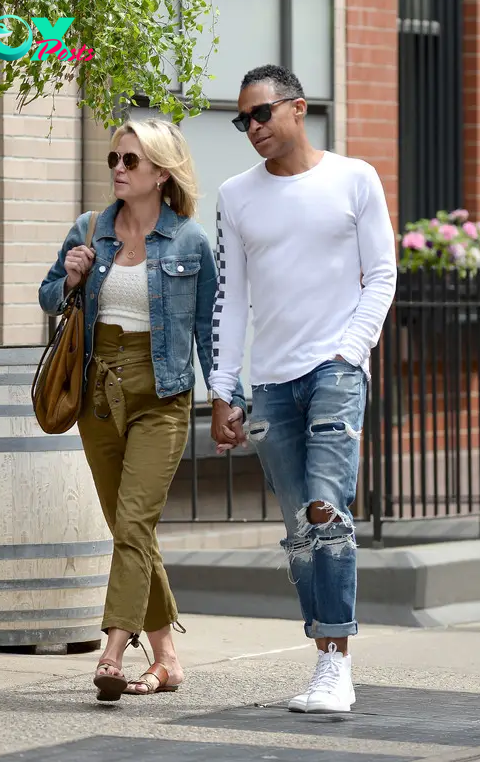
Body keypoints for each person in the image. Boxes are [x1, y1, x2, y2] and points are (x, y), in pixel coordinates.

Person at [208, 65, 397, 714]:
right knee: (299, 530)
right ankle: (323, 657)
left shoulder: (354, 179)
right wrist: (222, 389)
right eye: (242, 120)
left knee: (327, 510)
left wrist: (350, 351)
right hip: (272, 383)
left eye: (261, 115)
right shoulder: (235, 195)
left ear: (299, 109)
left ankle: (338, 662)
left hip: (336, 372)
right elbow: (231, 301)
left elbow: (382, 274)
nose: (252, 129)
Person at [39, 118, 245, 701]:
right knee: (131, 529)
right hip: (98, 395)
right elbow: (49, 296)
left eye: (131, 161)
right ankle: (169, 660)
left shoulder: (190, 241)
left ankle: (111, 650)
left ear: (161, 171)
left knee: (132, 524)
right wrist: (71, 276)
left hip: (163, 395)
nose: (119, 170)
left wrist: (225, 401)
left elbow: (210, 328)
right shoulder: (90, 229)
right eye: (114, 160)